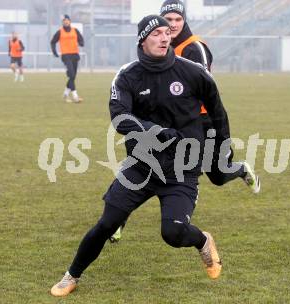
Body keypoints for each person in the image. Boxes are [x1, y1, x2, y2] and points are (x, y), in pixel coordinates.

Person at [50, 15, 230, 297]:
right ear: (143, 40)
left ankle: (203, 241)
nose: (164, 37)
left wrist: (224, 147)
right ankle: (71, 275)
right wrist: (157, 132)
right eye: (156, 33)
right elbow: (120, 117)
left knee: (173, 233)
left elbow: (218, 111)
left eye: (166, 32)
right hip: (141, 167)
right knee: (107, 224)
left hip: (181, 168)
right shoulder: (128, 75)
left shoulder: (193, 72)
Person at [108, 0, 261, 243]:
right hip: (166, 123)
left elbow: (208, 93)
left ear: (184, 21)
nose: (173, 25)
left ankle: (239, 169)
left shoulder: (194, 48)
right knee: (140, 166)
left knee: (218, 176)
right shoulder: (157, 46)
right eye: (168, 21)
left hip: (199, 123)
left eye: (178, 20)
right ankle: (116, 222)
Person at [51, 15, 84, 103]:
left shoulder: (75, 30)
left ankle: (65, 94)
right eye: (64, 20)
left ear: (70, 21)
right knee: (72, 75)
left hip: (75, 55)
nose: (66, 22)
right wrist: (54, 52)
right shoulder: (60, 32)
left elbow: (81, 39)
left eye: (67, 20)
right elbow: (53, 42)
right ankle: (75, 96)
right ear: (62, 22)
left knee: (73, 77)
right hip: (66, 56)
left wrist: (81, 43)